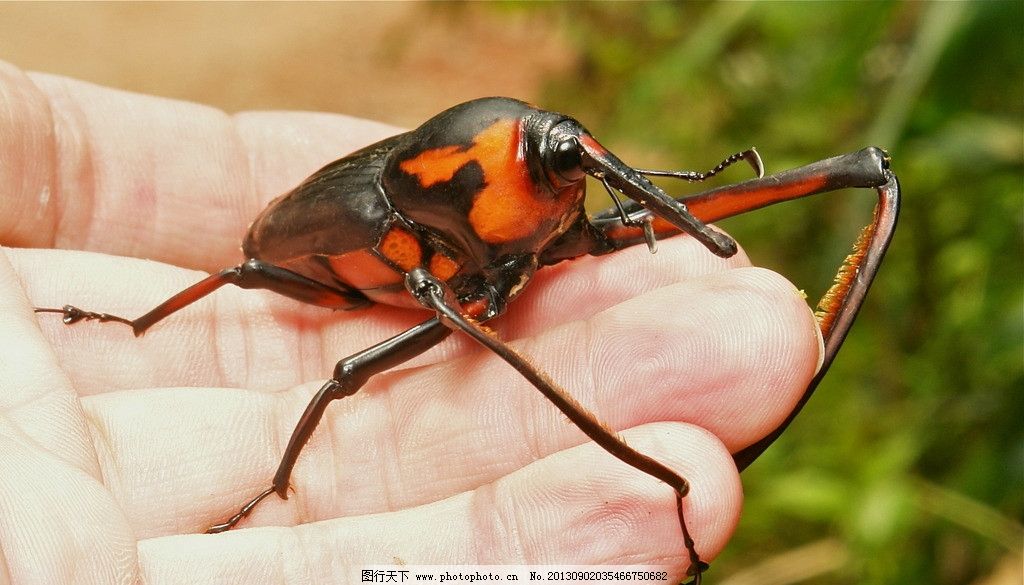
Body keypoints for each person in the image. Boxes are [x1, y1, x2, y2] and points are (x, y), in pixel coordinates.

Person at [0, 60, 821, 583]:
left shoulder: (502, 183)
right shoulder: (428, 194)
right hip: (333, 269)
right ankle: (248, 451)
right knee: (276, 312)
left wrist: (650, 195)